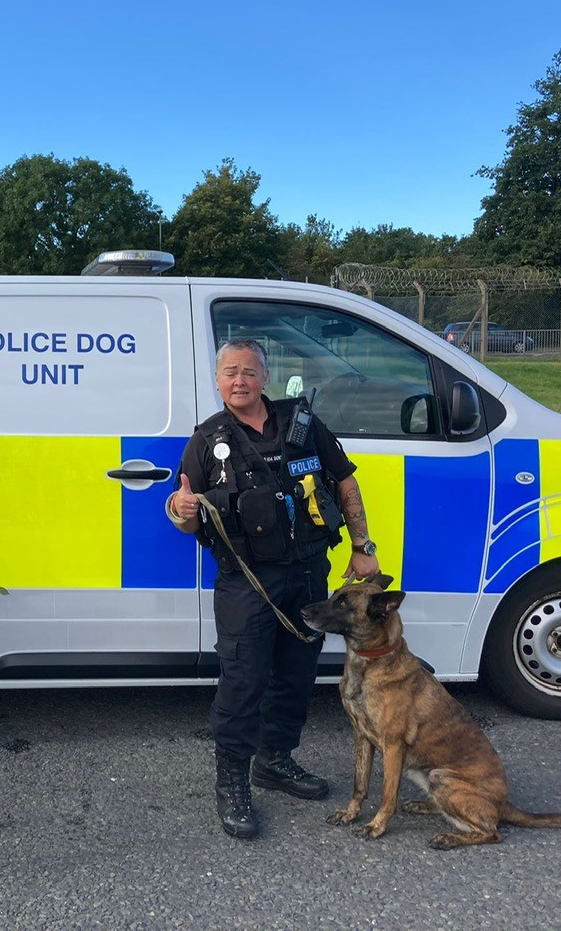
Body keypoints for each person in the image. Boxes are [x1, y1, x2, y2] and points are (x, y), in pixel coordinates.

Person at [167, 339, 380, 839]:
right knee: (243, 681)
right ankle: (233, 782)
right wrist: (182, 511)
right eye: (228, 372)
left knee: (296, 674)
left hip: (309, 573)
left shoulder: (303, 426)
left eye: (248, 371)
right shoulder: (206, 441)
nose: (238, 380)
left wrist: (363, 544)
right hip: (247, 583)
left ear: (265, 378)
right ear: (217, 381)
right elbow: (179, 510)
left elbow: (344, 481)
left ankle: (275, 761)